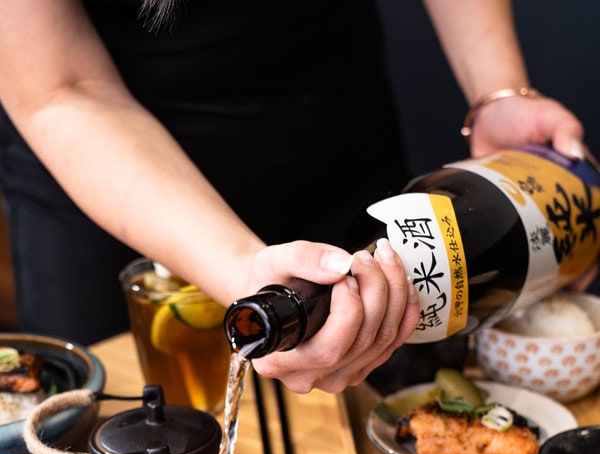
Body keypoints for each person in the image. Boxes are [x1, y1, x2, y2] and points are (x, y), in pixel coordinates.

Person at [0, 0, 587, 394]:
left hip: (334, 134)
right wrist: (239, 267)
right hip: (111, 178)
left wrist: (496, 92)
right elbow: (61, 89)